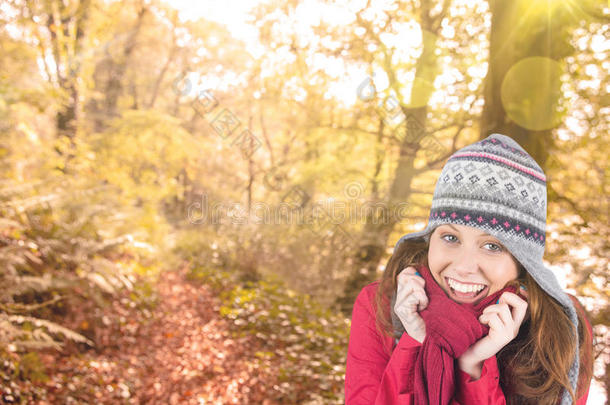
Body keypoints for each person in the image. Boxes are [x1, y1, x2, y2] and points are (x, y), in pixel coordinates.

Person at [344, 134, 594, 405]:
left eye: (492, 246)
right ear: (431, 238)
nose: (463, 267)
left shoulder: (560, 327)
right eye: (450, 238)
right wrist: (415, 341)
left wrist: (474, 366)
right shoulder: (380, 304)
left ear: (523, 261)